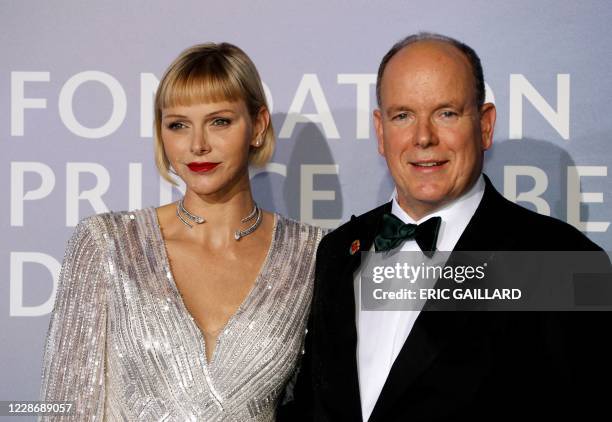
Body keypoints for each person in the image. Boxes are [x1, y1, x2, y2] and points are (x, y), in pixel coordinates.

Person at [288, 33, 611, 421]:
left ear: (485, 125)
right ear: (381, 130)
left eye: (447, 113)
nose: (423, 137)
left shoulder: (560, 258)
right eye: (403, 115)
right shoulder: (339, 250)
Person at [40, 42, 325, 421]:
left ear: (257, 126)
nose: (197, 145)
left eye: (219, 121)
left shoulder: (312, 254)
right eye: (178, 125)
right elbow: (66, 405)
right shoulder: (106, 245)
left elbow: (321, 403)